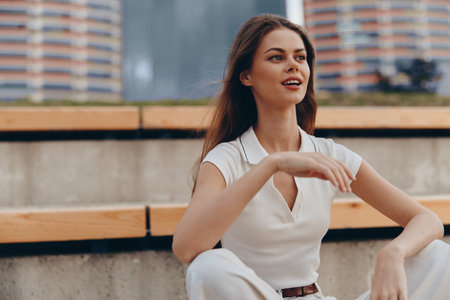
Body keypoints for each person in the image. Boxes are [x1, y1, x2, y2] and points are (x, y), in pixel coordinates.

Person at [172, 14, 449, 300]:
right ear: (246, 76)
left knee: (440, 257)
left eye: (300, 57)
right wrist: (271, 165)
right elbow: (187, 248)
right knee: (208, 266)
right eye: (276, 58)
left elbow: (427, 220)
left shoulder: (329, 154)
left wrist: (393, 253)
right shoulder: (226, 160)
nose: (293, 65)